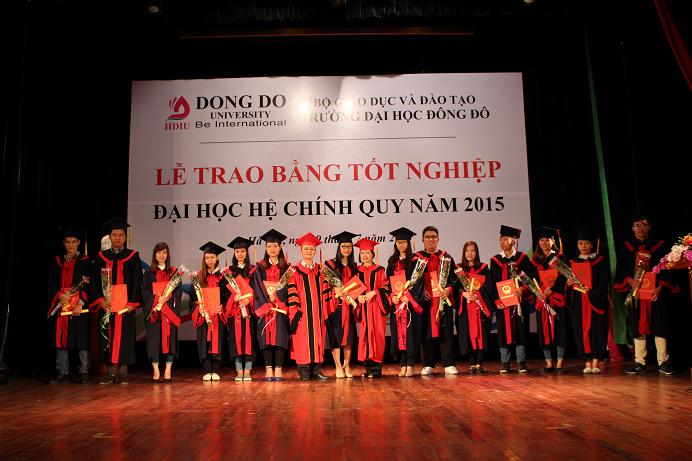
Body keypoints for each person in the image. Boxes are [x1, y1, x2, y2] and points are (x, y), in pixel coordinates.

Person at [614, 213, 674, 375]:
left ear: (649, 227)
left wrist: (660, 288)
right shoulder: (626, 247)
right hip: (636, 294)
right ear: (632, 228)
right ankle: (640, 362)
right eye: (636, 225)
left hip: (654, 292)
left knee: (659, 324)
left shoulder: (660, 246)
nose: (640, 228)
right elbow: (621, 270)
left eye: (644, 224)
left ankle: (663, 361)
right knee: (637, 325)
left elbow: (667, 269)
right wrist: (629, 281)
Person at [90, 218, 143, 384]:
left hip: (125, 307)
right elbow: (94, 282)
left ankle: (123, 373)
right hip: (107, 306)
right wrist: (100, 301)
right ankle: (110, 373)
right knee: (107, 337)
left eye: (121, 235)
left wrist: (132, 303)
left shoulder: (133, 256)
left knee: (125, 338)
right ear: (110, 237)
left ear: (125, 237)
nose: (118, 237)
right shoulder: (101, 257)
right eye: (114, 235)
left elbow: (137, 281)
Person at [412, 226, 459, 375]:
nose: (430, 239)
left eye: (433, 237)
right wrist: (421, 292)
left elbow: (455, 279)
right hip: (425, 301)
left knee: (446, 331)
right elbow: (412, 280)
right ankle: (428, 364)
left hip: (443, 300)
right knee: (426, 331)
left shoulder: (446, 258)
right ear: (422, 240)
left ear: (438, 239)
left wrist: (448, 290)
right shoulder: (417, 259)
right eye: (427, 237)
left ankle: (448, 363)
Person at [489, 225, 535, 373]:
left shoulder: (522, 258)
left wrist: (523, 289)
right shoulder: (495, 260)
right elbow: (492, 283)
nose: (502, 242)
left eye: (505, 239)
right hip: (503, 304)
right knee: (503, 331)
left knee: (520, 331)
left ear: (513, 241)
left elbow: (530, 278)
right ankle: (505, 362)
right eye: (500, 239)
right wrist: (497, 300)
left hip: (519, 302)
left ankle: (521, 361)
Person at [47, 228, 91, 384]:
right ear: (63, 243)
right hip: (63, 304)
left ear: (78, 243)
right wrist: (59, 295)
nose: (71, 245)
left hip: (78, 305)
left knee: (81, 339)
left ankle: (84, 371)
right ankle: (62, 371)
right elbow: (51, 283)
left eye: (73, 242)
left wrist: (81, 304)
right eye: (67, 242)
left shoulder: (85, 261)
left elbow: (90, 285)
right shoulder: (57, 262)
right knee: (61, 338)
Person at [287, 232, 332, 381]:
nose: (309, 251)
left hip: (318, 313)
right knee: (302, 340)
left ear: (315, 251)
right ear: (301, 250)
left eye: (311, 249)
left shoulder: (322, 270)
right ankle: (304, 371)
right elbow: (291, 293)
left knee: (318, 339)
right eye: (306, 249)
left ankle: (316, 370)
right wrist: (296, 313)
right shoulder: (293, 271)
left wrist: (326, 309)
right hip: (302, 313)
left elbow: (328, 291)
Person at [568, 230, 610, 374]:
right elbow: (566, 286)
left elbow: (604, 283)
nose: (583, 246)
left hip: (595, 300)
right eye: (580, 243)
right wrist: (568, 283)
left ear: (592, 245)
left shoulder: (600, 261)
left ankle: (596, 361)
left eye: (586, 243)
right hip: (579, 302)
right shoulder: (572, 263)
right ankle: (587, 361)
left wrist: (592, 292)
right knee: (581, 331)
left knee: (597, 330)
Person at [251, 229, 290, 381]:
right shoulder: (259, 268)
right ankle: (268, 369)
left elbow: (288, 287)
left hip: (280, 308)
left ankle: (278, 368)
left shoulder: (286, 268)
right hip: (265, 307)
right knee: (265, 337)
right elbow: (257, 287)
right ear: (265, 248)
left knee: (280, 336)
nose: (272, 249)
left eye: (275, 246)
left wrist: (278, 298)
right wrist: (267, 301)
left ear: (280, 248)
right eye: (269, 246)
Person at [141, 242, 182, 383]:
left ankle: (168, 369)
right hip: (154, 311)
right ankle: (156, 369)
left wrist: (168, 301)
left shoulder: (174, 272)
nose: (161, 255)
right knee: (154, 340)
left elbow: (178, 294)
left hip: (169, 312)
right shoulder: (148, 273)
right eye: (158, 252)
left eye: (164, 252)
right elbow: (144, 292)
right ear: (154, 255)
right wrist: (157, 299)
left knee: (170, 340)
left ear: (167, 254)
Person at [529, 227, 568, 373]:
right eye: (541, 240)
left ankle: (560, 362)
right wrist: (538, 292)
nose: (544, 243)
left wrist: (552, 289)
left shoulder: (559, 258)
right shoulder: (535, 261)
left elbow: (564, 276)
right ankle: (549, 362)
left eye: (547, 240)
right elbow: (532, 280)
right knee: (544, 330)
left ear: (553, 242)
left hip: (556, 298)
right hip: (542, 299)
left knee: (560, 329)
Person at [189, 241, 229, 381]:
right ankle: (207, 369)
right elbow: (193, 297)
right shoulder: (198, 277)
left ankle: (216, 369)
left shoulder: (224, 276)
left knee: (218, 340)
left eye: (212, 257)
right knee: (204, 341)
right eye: (207, 257)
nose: (209, 260)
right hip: (203, 315)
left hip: (217, 315)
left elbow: (227, 296)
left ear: (217, 258)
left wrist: (223, 307)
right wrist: (198, 307)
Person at [387, 227, 423, 377]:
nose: (401, 245)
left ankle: (410, 365)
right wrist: (392, 296)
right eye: (399, 242)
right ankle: (402, 364)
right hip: (397, 306)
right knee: (398, 335)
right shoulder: (392, 262)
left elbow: (418, 283)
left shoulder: (415, 262)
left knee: (410, 335)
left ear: (409, 243)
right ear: (395, 244)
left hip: (410, 305)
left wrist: (408, 296)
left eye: (404, 242)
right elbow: (388, 284)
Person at [354, 238, 390, 378]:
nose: (365, 255)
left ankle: (376, 367)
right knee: (364, 335)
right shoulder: (357, 270)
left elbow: (386, 286)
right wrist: (358, 297)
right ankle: (368, 367)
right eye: (362, 253)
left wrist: (374, 292)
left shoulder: (379, 269)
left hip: (376, 306)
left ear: (372, 254)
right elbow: (353, 288)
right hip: (364, 308)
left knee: (378, 335)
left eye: (368, 253)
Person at [324, 231, 359, 379]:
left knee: (349, 338)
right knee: (336, 337)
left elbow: (358, 286)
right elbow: (324, 284)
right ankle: (338, 366)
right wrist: (334, 289)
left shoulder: (354, 266)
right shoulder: (330, 265)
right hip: (335, 306)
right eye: (344, 246)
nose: (346, 249)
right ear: (339, 247)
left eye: (349, 246)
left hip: (349, 306)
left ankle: (347, 365)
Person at [455, 241, 493, 374]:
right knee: (466, 334)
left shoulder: (484, 268)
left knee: (482, 334)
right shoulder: (459, 270)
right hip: (465, 308)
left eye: (472, 250)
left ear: (476, 252)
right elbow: (455, 287)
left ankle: (479, 362)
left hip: (480, 307)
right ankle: (471, 363)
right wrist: (463, 293)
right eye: (467, 251)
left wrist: (478, 295)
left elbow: (489, 286)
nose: (469, 253)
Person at [226, 237, 257, 382]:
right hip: (235, 312)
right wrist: (234, 298)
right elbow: (224, 293)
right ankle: (239, 370)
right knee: (236, 339)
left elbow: (257, 290)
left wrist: (249, 300)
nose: (240, 254)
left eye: (242, 251)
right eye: (237, 251)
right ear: (234, 253)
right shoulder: (229, 272)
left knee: (249, 339)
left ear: (246, 253)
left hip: (249, 312)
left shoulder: (253, 270)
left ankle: (248, 370)